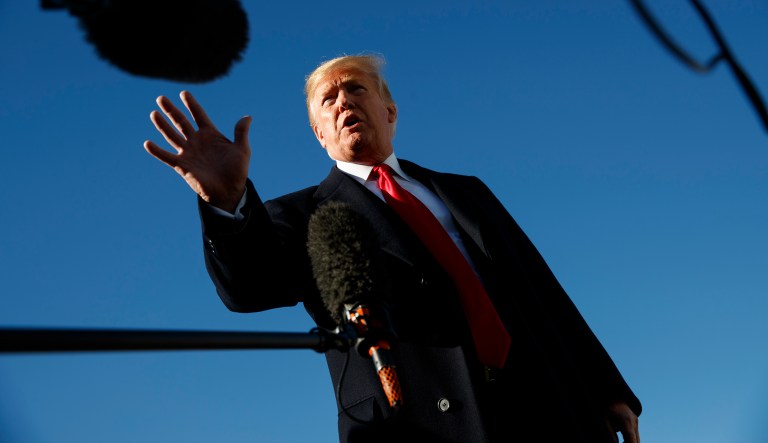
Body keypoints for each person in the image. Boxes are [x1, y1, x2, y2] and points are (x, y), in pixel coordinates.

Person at [144, 54, 641, 443]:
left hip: (545, 398)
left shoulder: (468, 190)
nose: (343, 102)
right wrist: (227, 203)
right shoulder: (301, 214)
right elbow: (248, 287)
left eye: (355, 88)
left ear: (390, 111)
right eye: (328, 99)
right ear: (319, 134)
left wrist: (606, 387)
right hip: (421, 423)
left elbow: (542, 289)